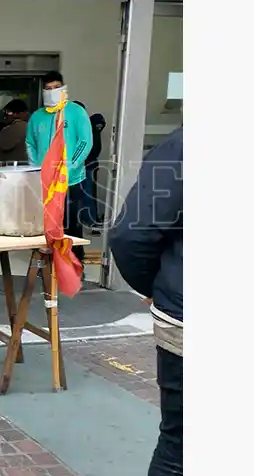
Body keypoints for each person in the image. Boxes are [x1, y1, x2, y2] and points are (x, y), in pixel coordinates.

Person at [106, 128, 183, 476]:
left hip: (184, 314)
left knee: (179, 448)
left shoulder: (182, 145)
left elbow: (132, 234)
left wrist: (154, 284)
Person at [26, 72, 93, 260]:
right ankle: (48, 265)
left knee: (71, 225)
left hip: (71, 181)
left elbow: (85, 142)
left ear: (63, 88)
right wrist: (36, 167)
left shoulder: (75, 112)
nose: (52, 91)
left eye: (56, 87)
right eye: (48, 89)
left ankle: (74, 265)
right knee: (45, 225)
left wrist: (69, 167)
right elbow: (30, 142)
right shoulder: (37, 117)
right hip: (44, 182)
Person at [0, 98, 31, 166]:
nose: (6, 116)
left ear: (21, 113)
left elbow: (5, 143)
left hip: (12, 169)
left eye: (9, 112)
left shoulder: (20, 126)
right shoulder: (26, 125)